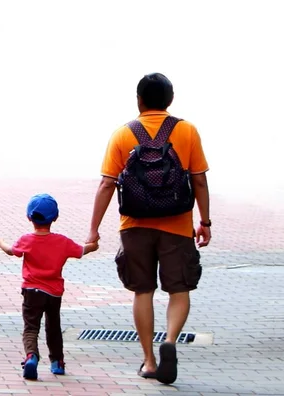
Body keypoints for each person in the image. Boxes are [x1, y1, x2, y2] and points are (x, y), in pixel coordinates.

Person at [85, 73, 211, 384]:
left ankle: (150, 362)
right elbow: (198, 179)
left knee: (143, 290)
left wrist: (93, 230)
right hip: (178, 224)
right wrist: (204, 221)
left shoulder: (122, 134)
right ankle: (169, 339)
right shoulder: (187, 130)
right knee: (178, 290)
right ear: (170, 100)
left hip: (135, 225)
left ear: (139, 100)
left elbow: (106, 184)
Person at [0, 193, 99, 380]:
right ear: (55, 218)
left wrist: (0, 242)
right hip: (54, 294)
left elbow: (12, 251)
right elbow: (84, 249)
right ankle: (57, 362)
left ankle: (31, 356)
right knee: (53, 327)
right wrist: (94, 244)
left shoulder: (26, 240)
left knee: (31, 327)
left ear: (29, 217)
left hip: (31, 291)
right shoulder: (62, 242)